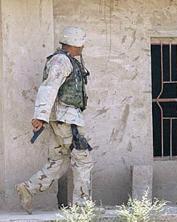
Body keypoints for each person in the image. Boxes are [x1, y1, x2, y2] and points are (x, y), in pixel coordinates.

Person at [15, 26, 94, 214]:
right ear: (74, 42)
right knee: (83, 160)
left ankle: (28, 188)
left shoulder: (69, 60)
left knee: (60, 161)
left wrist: (43, 117)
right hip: (66, 119)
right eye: (81, 42)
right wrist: (40, 116)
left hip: (64, 118)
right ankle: (82, 209)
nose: (82, 47)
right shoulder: (61, 60)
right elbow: (49, 88)